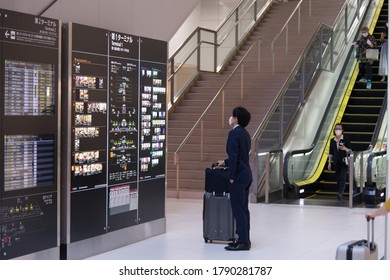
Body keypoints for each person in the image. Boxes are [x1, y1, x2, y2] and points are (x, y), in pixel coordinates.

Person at [217, 106, 252, 251]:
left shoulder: (233, 134)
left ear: (236, 119)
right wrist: (224, 162)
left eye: (232, 116)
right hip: (246, 175)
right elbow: (241, 155)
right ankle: (244, 238)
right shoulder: (245, 133)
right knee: (244, 209)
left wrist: (231, 176)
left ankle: (243, 241)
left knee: (238, 210)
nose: (230, 118)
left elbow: (234, 156)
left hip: (238, 177)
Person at [327, 123, 352, 200]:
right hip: (336, 161)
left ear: (342, 130)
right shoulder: (332, 140)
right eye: (336, 129)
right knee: (338, 178)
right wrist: (329, 163)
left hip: (344, 161)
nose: (337, 130)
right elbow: (331, 152)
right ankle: (339, 192)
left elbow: (350, 151)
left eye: (339, 129)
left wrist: (345, 148)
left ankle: (340, 193)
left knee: (342, 178)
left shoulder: (345, 139)